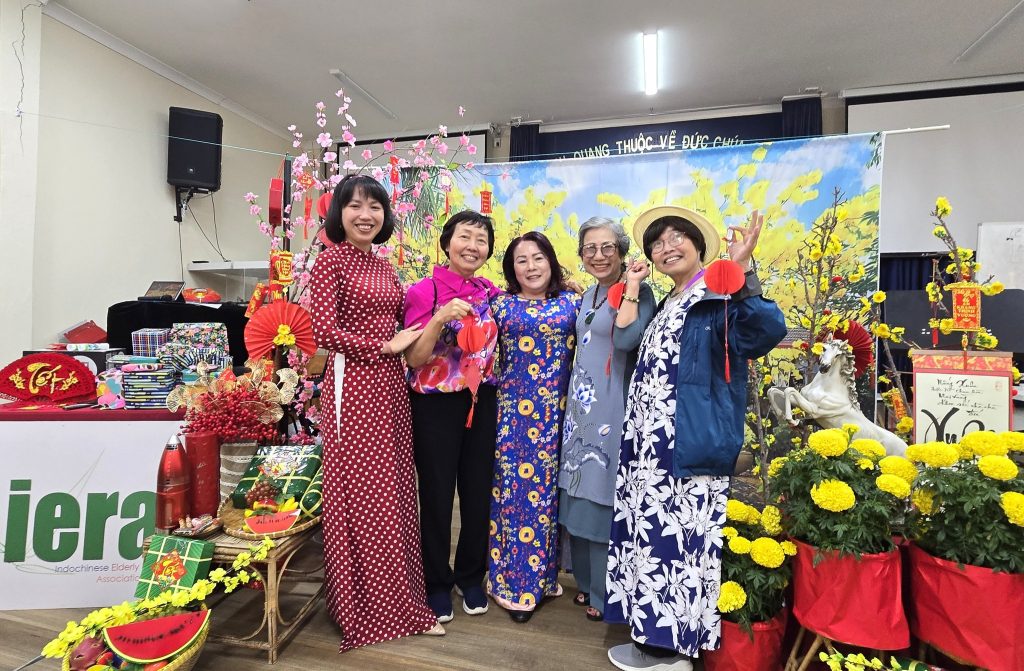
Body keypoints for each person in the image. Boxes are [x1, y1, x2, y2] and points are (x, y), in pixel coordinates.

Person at [604, 207, 786, 671]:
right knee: (653, 541)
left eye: (676, 238)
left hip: (685, 443)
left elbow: (765, 331)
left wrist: (744, 272)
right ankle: (657, 640)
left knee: (677, 546)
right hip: (650, 449)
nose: (666, 248)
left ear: (699, 245)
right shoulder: (672, 300)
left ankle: (667, 653)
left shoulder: (717, 293)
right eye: (657, 243)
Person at [310, 174, 443, 651]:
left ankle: (406, 602)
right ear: (339, 213)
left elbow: (403, 327)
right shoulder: (330, 262)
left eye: (375, 206)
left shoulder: (385, 265)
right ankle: (366, 610)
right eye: (355, 205)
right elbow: (323, 332)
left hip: (389, 386)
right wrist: (383, 346)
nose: (365, 215)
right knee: (366, 496)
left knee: (396, 490)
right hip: (353, 385)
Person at [403, 210, 501, 624]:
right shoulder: (423, 291)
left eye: (481, 240)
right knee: (438, 495)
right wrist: (440, 317)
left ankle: (470, 575)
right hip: (436, 405)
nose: (473, 246)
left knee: (478, 492)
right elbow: (414, 358)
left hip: (481, 401)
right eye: (465, 236)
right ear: (447, 243)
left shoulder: (489, 293)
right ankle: (436, 582)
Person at [558, 218, 656, 623]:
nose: (598, 256)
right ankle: (584, 581)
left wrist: (630, 287)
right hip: (580, 411)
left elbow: (627, 340)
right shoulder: (589, 294)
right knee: (577, 494)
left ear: (622, 252)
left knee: (601, 496)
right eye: (590, 248)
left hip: (612, 409)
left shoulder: (640, 292)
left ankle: (604, 591)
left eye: (607, 247)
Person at [487, 231, 581, 623]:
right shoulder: (498, 304)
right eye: (521, 260)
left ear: (551, 261)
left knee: (548, 500)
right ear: (512, 269)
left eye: (538, 257)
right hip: (513, 418)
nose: (531, 266)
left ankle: (543, 579)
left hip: (560, 417)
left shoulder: (573, 302)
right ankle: (514, 587)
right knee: (515, 499)